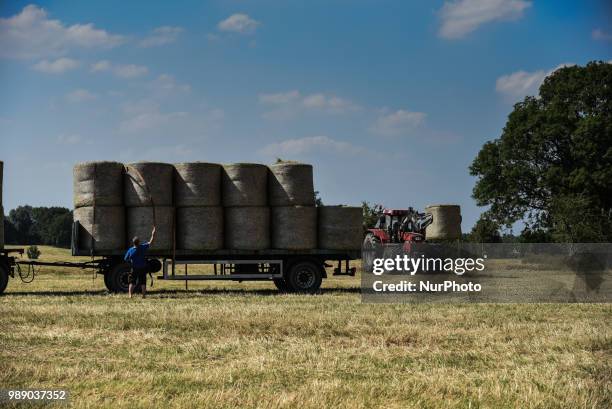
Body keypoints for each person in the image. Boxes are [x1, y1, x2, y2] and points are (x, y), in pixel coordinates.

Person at [124, 227, 156, 298]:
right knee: (143, 282)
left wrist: (131, 261)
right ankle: (144, 295)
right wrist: (153, 234)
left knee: (132, 282)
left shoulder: (130, 250)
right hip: (143, 268)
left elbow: (126, 259)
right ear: (139, 242)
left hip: (134, 268)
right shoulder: (143, 247)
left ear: (133, 243)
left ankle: (130, 295)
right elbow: (151, 242)